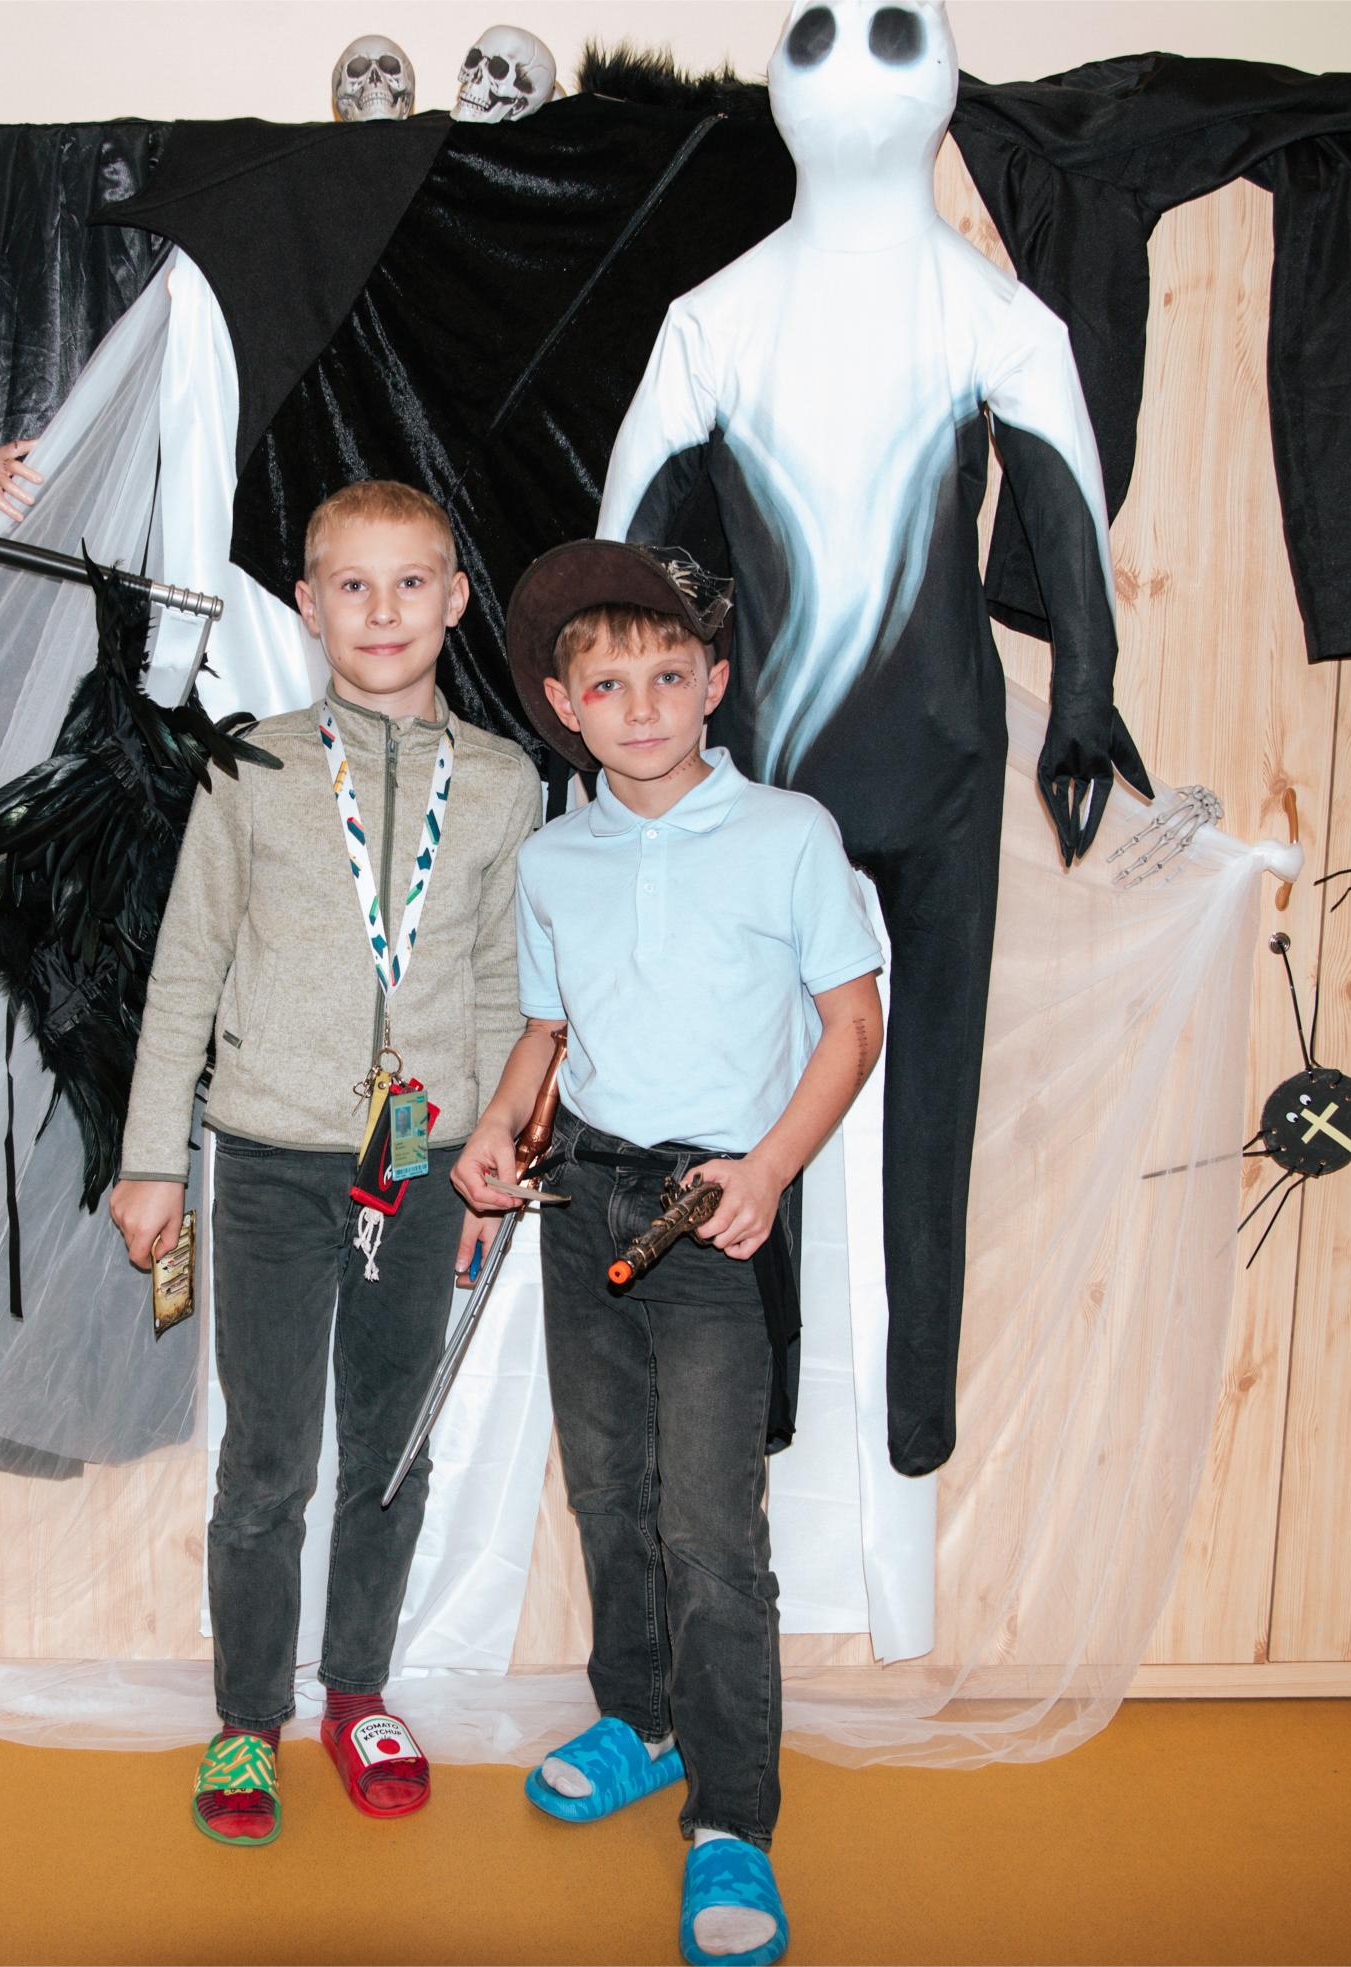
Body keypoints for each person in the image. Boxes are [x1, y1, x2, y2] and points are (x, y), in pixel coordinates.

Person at [455, 540, 884, 1965]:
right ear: (561, 706)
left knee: (710, 1529)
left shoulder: (788, 835)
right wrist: (498, 1132)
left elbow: (854, 1022)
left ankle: (731, 1820)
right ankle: (638, 1721)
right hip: (581, 1200)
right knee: (609, 1493)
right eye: (605, 684)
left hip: (715, 1207)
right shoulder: (553, 859)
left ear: (712, 683)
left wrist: (769, 1170)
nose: (638, 706)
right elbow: (548, 1029)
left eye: (666, 676)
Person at [113, 480, 541, 1846]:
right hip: (268, 1161)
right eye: (351, 585)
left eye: (410, 582)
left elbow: (505, 991)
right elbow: (186, 967)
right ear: (306, 605)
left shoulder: (505, 783)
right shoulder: (250, 764)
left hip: (422, 1168)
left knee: (391, 1452)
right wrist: (151, 1156)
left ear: (455, 599)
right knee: (267, 1459)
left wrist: (492, 1154)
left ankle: (356, 1691)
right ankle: (248, 1718)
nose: (381, 610)